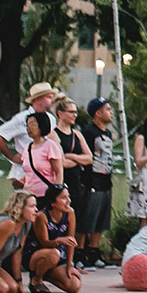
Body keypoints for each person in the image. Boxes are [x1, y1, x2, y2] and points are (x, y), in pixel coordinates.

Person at [0, 82, 60, 189]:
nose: (52, 100)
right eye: (49, 97)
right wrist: (12, 157)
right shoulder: (21, 118)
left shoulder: (51, 119)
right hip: (24, 173)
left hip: (45, 173)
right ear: (38, 99)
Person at [23, 185, 83, 293]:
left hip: (59, 256)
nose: (68, 201)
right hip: (39, 254)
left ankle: (46, 274)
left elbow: (71, 241)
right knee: (54, 254)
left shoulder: (70, 213)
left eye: (68, 197)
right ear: (53, 201)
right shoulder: (42, 216)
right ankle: (36, 278)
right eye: (63, 198)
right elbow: (44, 243)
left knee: (74, 286)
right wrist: (59, 241)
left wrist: (69, 264)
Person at [79, 97, 116, 268]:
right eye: (108, 109)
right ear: (98, 113)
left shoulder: (107, 133)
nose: (111, 112)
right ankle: (80, 253)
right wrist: (85, 181)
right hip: (92, 179)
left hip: (105, 179)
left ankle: (94, 251)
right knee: (88, 217)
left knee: (101, 218)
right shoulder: (89, 132)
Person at [53, 97, 93, 231]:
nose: (74, 115)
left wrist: (72, 157)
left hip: (76, 182)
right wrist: (77, 160)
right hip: (62, 181)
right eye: (71, 112)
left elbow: (89, 158)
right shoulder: (53, 134)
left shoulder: (77, 134)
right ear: (60, 113)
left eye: (75, 112)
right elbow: (61, 162)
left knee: (75, 217)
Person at [20, 112, 65, 201]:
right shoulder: (27, 148)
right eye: (27, 125)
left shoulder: (50, 146)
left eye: (32, 124)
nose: (29, 128)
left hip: (46, 195)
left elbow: (59, 171)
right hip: (29, 196)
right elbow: (29, 172)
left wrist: (55, 192)